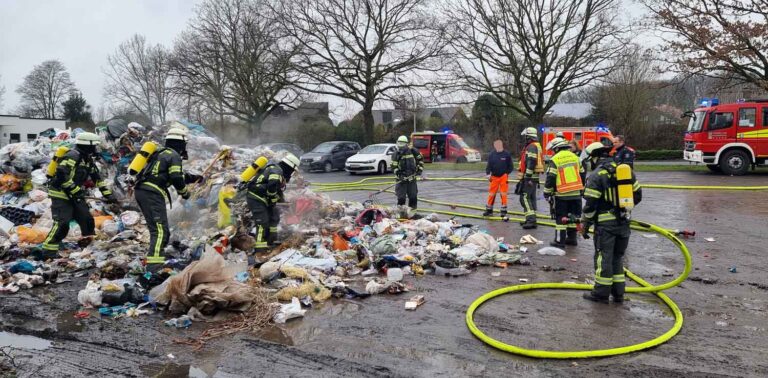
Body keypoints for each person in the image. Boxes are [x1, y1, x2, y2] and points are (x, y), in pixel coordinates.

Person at [37, 132, 116, 260]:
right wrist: (75, 190)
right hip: (60, 193)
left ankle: (88, 248)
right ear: (87, 145)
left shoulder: (87, 159)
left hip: (75, 194)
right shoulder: (72, 156)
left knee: (87, 219)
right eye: (94, 146)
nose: (96, 149)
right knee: (62, 223)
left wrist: (108, 195)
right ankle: (48, 252)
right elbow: (62, 175)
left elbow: (97, 178)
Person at [581, 142, 642, 304]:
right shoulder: (625, 172)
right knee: (617, 257)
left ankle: (601, 293)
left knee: (603, 258)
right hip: (624, 223)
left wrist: (585, 224)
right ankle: (618, 293)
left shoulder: (597, 175)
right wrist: (622, 209)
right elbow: (638, 195)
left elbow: (590, 204)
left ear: (594, 157)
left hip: (605, 226)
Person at [134, 128, 191, 277]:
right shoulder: (174, 155)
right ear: (181, 144)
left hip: (143, 190)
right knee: (160, 231)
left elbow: (170, 174)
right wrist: (184, 193)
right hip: (151, 192)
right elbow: (177, 178)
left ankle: (155, 260)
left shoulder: (160, 153)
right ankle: (154, 266)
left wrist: (191, 177)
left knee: (159, 229)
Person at [244, 153, 300, 255]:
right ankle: (260, 248)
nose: (291, 173)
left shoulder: (278, 171)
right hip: (256, 197)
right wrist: (273, 199)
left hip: (264, 198)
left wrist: (283, 202)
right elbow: (272, 186)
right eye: (292, 170)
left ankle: (271, 240)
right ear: (289, 167)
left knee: (275, 217)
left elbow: (278, 190)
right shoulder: (276, 170)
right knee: (262, 222)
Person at [543, 138, 584, 248]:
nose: (552, 152)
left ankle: (559, 241)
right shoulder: (576, 157)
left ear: (557, 148)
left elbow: (551, 177)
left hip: (562, 194)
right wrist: (581, 189)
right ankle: (572, 238)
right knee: (573, 217)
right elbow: (583, 174)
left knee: (561, 218)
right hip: (576, 194)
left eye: (553, 150)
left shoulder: (555, 159)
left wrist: (546, 192)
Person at [517, 127, 544, 229]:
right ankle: (530, 219)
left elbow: (531, 162)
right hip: (533, 177)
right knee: (530, 198)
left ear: (528, 136)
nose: (525, 138)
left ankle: (531, 220)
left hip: (530, 178)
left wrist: (527, 178)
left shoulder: (531, 147)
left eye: (525, 137)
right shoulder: (535, 145)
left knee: (524, 198)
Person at [391, 135, 424, 209]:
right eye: (399, 144)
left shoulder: (414, 151)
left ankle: (412, 215)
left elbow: (420, 160)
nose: (400, 147)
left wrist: (419, 169)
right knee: (401, 199)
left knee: (413, 197)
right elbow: (393, 167)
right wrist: (400, 175)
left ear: (406, 144)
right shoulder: (396, 154)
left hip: (412, 179)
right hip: (401, 181)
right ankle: (400, 216)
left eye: (402, 144)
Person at [484, 140, 513, 217]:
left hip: (503, 176)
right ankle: (489, 210)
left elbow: (511, 166)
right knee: (491, 194)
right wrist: (488, 174)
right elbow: (488, 165)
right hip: (494, 177)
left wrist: (506, 174)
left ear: (501, 145)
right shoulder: (492, 154)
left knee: (503, 194)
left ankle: (503, 210)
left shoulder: (506, 154)